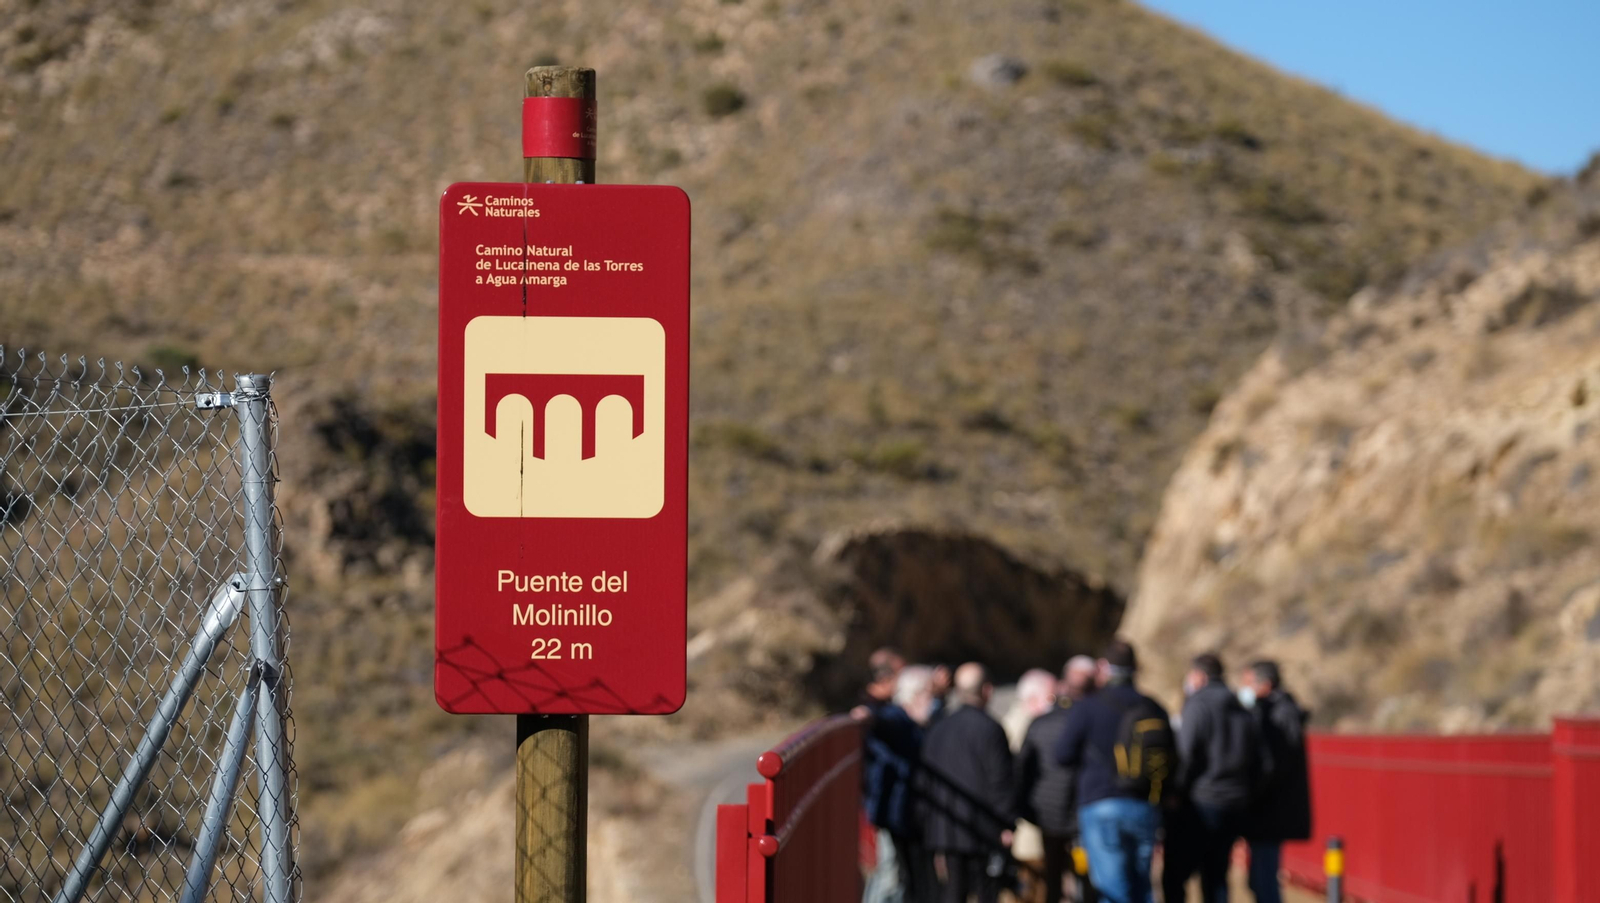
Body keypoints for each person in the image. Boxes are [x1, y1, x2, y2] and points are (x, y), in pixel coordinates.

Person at [1055, 640, 1172, 903]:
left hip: (1100, 803)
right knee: (1142, 886)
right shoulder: (1153, 707)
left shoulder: (1088, 706)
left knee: (1113, 889)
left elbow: (1062, 755)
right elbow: (1172, 756)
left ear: (1103, 667)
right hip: (1145, 804)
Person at [1163, 653, 1264, 903]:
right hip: (1235, 802)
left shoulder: (1198, 704)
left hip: (1200, 803)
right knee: (1217, 877)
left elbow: (1186, 754)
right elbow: (1259, 759)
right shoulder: (1241, 706)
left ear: (1199, 676)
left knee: (1176, 874)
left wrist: (1176, 792)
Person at [922, 663, 1016, 903]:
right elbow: (1000, 780)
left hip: (946, 824)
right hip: (982, 828)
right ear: (987, 690)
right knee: (986, 891)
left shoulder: (938, 727)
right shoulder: (990, 728)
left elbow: (926, 777)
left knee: (953, 890)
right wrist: (1006, 823)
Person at [1017, 657, 1100, 903]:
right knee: (1086, 877)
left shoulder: (1039, 723)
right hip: (1081, 813)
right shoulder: (1092, 722)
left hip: (1047, 815)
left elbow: (1023, 770)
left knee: (1052, 877)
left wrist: (1027, 810)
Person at [863, 665, 936, 903]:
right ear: (915, 695)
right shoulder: (898, 718)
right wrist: (869, 716)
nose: (933, 701)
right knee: (895, 874)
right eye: (929, 694)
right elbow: (884, 723)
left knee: (906, 875)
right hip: (899, 814)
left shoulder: (912, 721)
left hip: (903, 812)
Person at [1240, 661, 1311, 903]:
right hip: (1267, 809)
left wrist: (1253, 791)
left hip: (1270, 810)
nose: (1245, 688)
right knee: (1258, 879)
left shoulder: (1278, 714)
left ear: (1266, 685)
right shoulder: (1274, 711)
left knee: (1265, 879)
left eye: (1249, 683)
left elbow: (1274, 764)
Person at [1003, 669, 1059, 898]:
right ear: (1033, 698)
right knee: (1029, 889)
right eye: (1052, 697)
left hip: (1031, 821)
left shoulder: (1019, 722)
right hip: (1026, 826)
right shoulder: (1021, 726)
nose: (1056, 703)